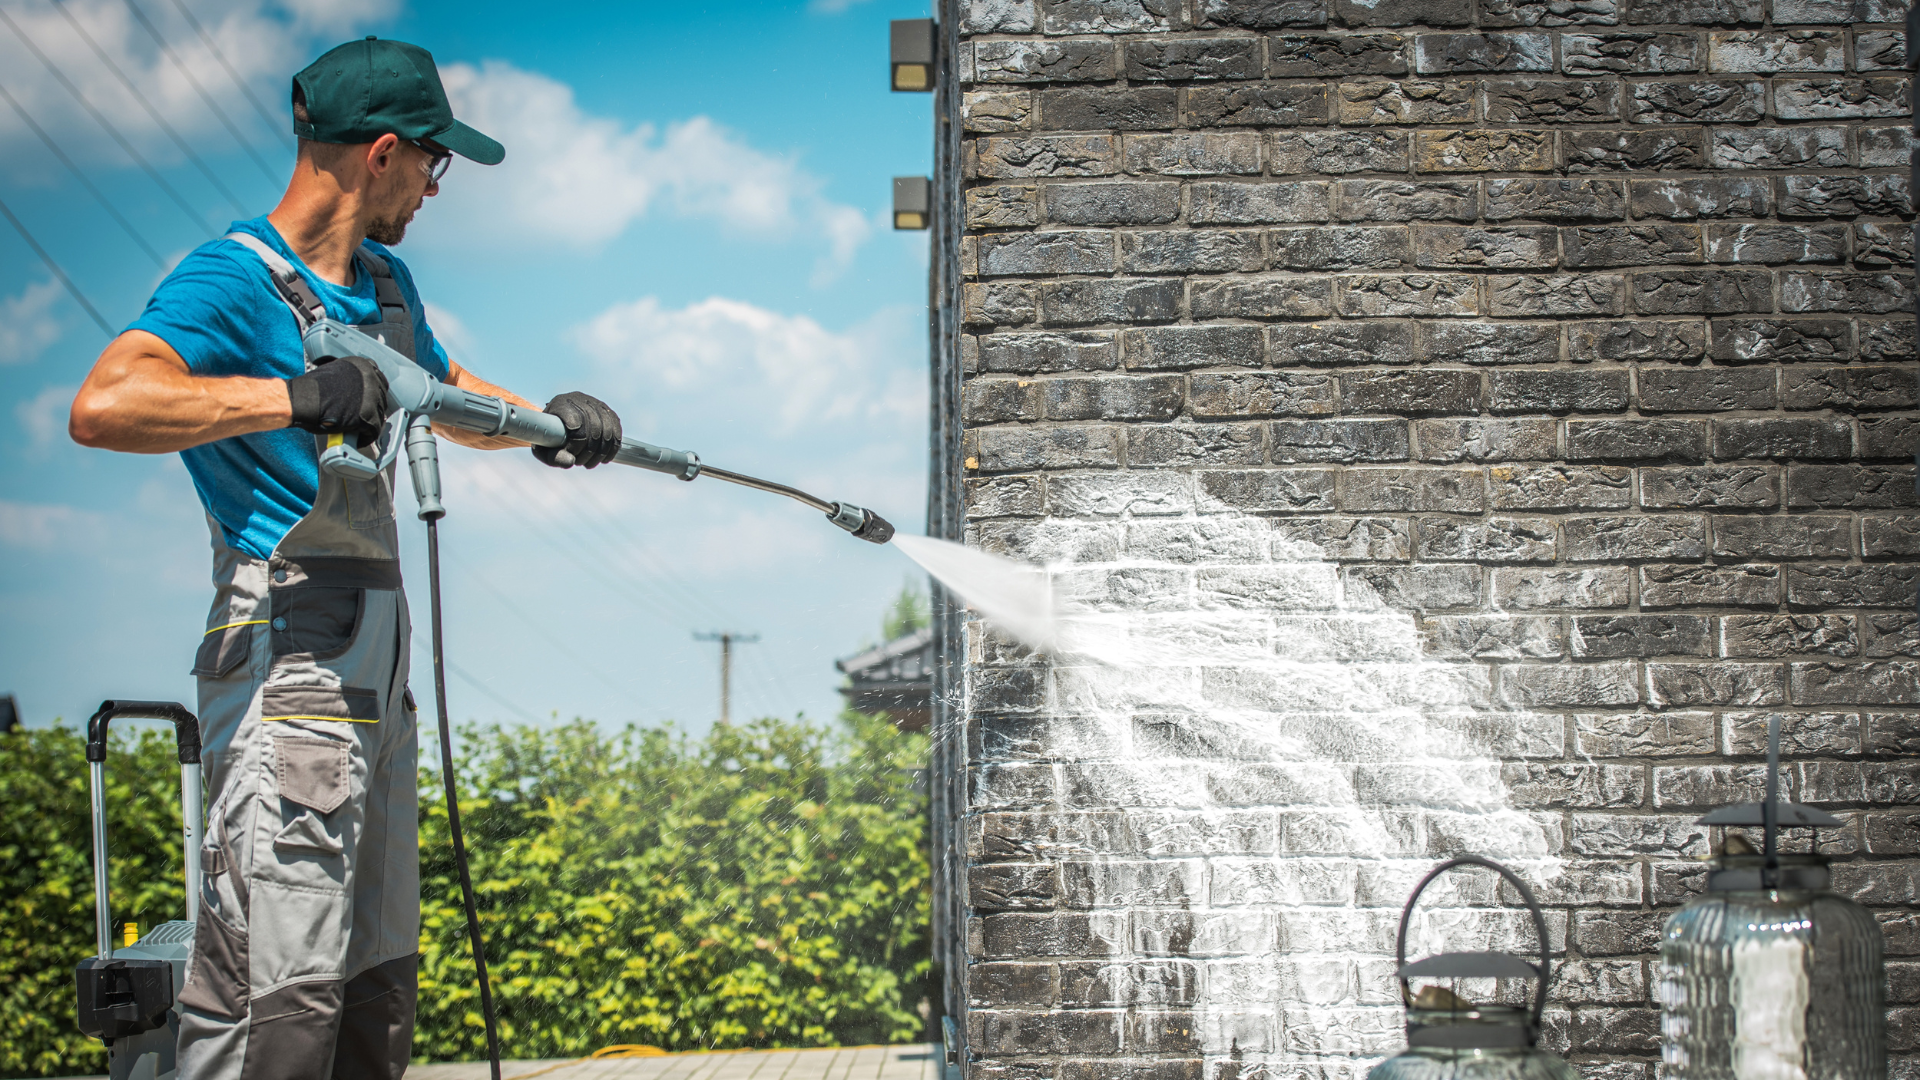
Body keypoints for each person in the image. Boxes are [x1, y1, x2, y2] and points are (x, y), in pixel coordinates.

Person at [68, 36, 620, 1080]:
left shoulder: (387, 284)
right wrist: (291, 397)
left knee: (372, 980)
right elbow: (104, 405)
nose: (434, 186)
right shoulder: (230, 283)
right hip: (292, 664)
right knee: (276, 990)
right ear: (381, 153)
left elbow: (447, 393)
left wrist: (550, 424)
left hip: (380, 668)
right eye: (433, 163)